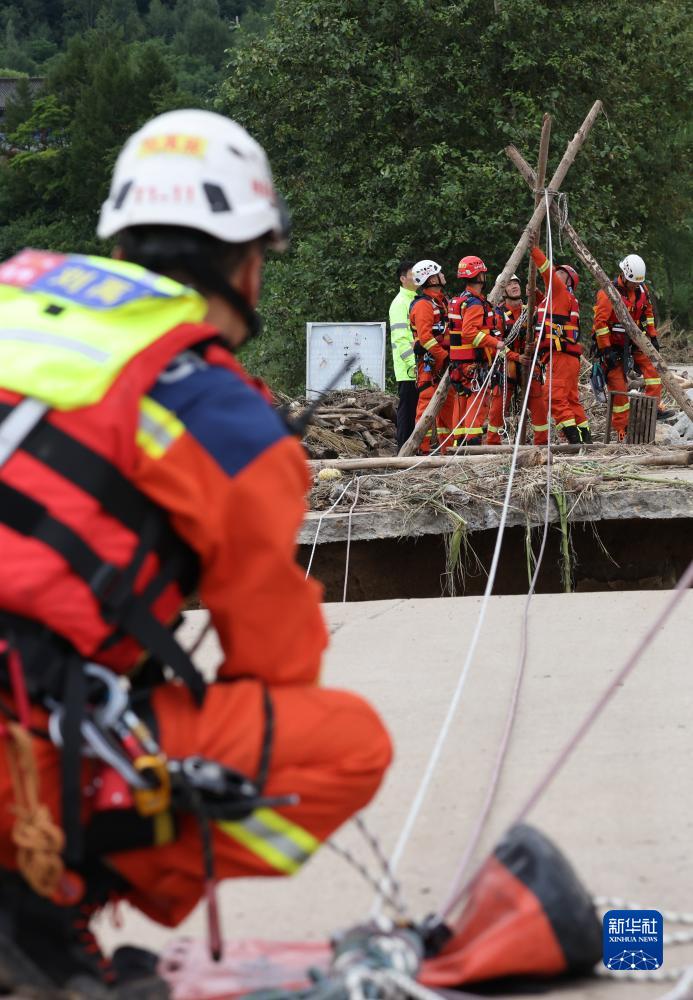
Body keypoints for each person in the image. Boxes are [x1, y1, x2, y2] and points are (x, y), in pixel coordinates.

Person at [0, 109, 392, 996]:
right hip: (16, 746)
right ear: (251, 262)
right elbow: (275, 664)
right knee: (338, 745)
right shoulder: (222, 415)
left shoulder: (13, 300)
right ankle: (44, 903)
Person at [592, 253, 671, 440]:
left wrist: (652, 337)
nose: (636, 286)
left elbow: (648, 314)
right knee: (618, 390)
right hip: (612, 346)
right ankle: (622, 431)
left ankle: (655, 406)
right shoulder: (608, 292)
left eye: (638, 283)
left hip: (635, 341)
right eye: (633, 282)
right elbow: (600, 323)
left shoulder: (642, 290)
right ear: (624, 275)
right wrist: (606, 350)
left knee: (653, 372)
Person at [448, 256, 520, 446]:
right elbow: (470, 332)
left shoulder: (460, 300)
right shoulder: (474, 303)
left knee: (461, 401)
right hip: (472, 362)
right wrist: (495, 343)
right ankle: (471, 443)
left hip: (459, 362)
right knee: (477, 401)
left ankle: (459, 442)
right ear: (479, 275)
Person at [530, 240, 592, 444]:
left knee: (553, 398)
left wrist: (534, 250)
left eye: (561, 274)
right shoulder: (559, 298)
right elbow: (550, 312)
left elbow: (546, 270)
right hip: (567, 357)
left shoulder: (559, 291)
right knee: (571, 400)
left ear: (567, 282)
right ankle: (585, 439)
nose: (556, 274)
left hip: (560, 356)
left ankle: (574, 441)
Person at [486, 274, 549, 446]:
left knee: (538, 402)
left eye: (516, 283)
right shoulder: (497, 315)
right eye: (510, 283)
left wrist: (536, 291)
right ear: (503, 290)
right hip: (507, 363)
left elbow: (546, 308)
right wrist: (516, 357)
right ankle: (492, 444)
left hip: (529, 362)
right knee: (498, 406)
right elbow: (496, 345)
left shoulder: (529, 310)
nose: (514, 286)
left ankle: (541, 443)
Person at [408, 259, 455, 453]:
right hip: (431, 363)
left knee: (448, 407)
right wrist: (443, 356)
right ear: (432, 278)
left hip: (444, 362)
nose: (443, 276)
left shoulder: (442, 302)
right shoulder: (423, 305)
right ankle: (421, 449)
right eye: (440, 273)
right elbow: (425, 337)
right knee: (426, 405)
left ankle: (448, 450)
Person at [388, 260, 418, 451]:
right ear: (403, 279)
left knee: (414, 411)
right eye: (412, 274)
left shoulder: (414, 299)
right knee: (407, 412)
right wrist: (412, 363)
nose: (417, 277)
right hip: (409, 369)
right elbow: (400, 339)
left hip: (416, 367)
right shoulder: (400, 303)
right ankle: (402, 451)